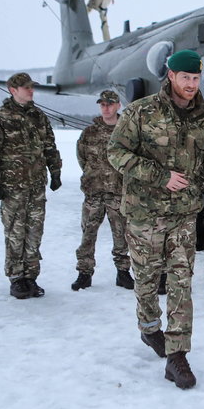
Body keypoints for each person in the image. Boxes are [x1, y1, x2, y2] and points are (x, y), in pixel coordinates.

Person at [108, 50, 204, 390]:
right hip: (145, 214)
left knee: (180, 282)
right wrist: (159, 175)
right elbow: (116, 152)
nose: (191, 85)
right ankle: (149, 328)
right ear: (171, 77)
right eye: (185, 78)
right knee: (146, 281)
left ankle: (177, 356)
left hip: (183, 215)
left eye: (196, 79)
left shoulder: (203, 118)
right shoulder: (141, 111)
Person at [0, 72, 62, 299]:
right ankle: (17, 278)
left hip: (36, 186)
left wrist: (55, 172)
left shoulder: (38, 116)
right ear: (12, 90)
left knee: (34, 232)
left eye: (31, 87)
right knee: (16, 233)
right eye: (26, 87)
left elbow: (50, 146)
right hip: (12, 187)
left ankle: (31, 277)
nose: (31, 90)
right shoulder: (0, 117)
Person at [71, 90, 134, 291]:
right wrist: (93, 175)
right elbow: (82, 158)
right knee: (88, 234)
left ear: (118, 106)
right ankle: (84, 273)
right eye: (102, 104)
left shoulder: (127, 132)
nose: (105, 107)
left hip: (118, 192)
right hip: (94, 192)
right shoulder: (89, 132)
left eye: (109, 104)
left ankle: (123, 272)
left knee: (122, 235)